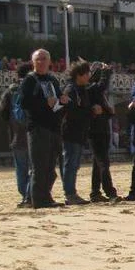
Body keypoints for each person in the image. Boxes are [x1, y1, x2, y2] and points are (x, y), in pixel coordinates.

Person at [21, 49, 67, 209]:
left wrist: (62, 100)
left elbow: (58, 102)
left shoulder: (52, 80)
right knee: (39, 166)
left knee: (50, 168)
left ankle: (46, 197)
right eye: (38, 59)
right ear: (33, 62)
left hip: (53, 127)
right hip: (37, 128)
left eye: (44, 59)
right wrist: (43, 103)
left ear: (49, 61)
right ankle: (38, 200)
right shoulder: (29, 80)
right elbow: (24, 103)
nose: (41, 62)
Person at [0, 62, 32, 207]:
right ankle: (29, 196)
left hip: (16, 136)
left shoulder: (10, 91)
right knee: (35, 168)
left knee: (21, 169)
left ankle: (24, 195)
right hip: (32, 135)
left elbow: (2, 112)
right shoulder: (31, 88)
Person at [60, 60, 93, 206]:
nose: (88, 76)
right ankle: (70, 193)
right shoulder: (71, 90)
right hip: (71, 132)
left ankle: (71, 192)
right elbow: (72, 112)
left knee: (74, 164)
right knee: (70, 164)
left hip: (79, 132)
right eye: (86, 73)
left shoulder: (81, 89)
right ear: (79, 75)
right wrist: (90, 112)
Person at [87, 62, 119, 203]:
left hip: (102, 129)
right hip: (96, 131)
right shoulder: (91, 88)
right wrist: (106, 72)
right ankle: (110, 191)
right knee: (103, 162)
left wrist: (107, 111)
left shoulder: (96, 92)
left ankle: (95, 192)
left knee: (98, 163)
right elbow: (101, 85)